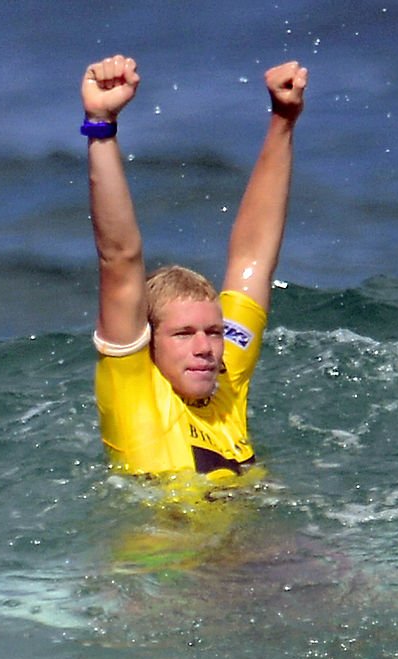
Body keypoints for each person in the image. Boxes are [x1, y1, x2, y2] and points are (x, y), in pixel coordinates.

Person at [80, 54, 307, 479]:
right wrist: (100, 126)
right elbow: (119, 259)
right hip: (175, 546)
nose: (205, 347)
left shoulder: (223, 378)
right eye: (183, 334)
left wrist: (283, 119)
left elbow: (252, 259)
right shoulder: (136, 392)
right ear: (148, 344)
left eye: (214, 332)